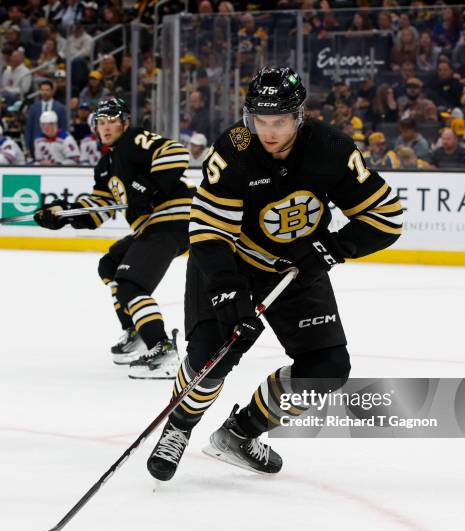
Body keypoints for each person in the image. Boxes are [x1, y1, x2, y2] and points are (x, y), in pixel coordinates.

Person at [146, 66, 402, 481]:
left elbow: (386, 217)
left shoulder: (330, 149)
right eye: (259, 120)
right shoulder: (235, 147)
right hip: (232, 264)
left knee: (327, 368)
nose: (268, 131)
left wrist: (332, 249)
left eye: (279, 121)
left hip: (296, 271)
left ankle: (240, 432)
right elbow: (209, 230)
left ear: (299, 115)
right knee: (214, 354)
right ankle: (177, 427)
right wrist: (228, 291)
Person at [33, 98, 194, 377]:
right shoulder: (106, 164)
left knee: (131, 285)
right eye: (101, 122)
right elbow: (97, 211)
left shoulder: (134, 140)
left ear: (125, 122)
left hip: (173, 218)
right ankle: (137, 330)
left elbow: (176, 152)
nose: (106, 127)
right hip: (152, 225)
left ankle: (162, 349)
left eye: (112, 120)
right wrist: (63, 215)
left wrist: (148, 188)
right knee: (110, 264)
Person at [24, 80, 67, 156]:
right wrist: (27, 147)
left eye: (47, 90)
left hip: (56, 146)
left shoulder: (60, 108)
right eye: (42, 90)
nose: (44, 92)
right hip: (36, 146)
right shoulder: (33, 108)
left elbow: (63, 127)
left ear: (52, 91)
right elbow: (29, 128)